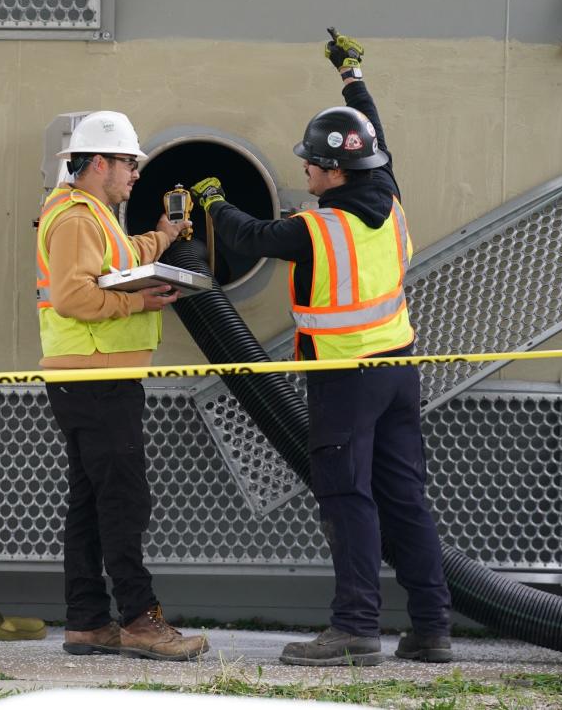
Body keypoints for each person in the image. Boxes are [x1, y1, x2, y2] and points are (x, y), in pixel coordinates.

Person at [190, 36, 452, 666]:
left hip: (343, 379)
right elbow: (374, 134)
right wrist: (352, 76)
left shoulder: (317, 228)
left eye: (310, 161)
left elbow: (253, 235)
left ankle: (355, 628)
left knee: (347, 496)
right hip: (399, 369)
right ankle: (432, 628)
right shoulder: (387, 197)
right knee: (404, 498)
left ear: (334, 173)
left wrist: (213, 201)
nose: (304, 170)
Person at [37, 110, 209, 662]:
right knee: (123, 501)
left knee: (91, 503)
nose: (136, 174)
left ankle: (87, 622)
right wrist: (139, 301)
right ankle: (140, 620)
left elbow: (124, 257)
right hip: (96, 376)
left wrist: (164, 233)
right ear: (101, 163)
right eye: (131, 165)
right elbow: (73, 298)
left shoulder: (94, 214)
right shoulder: (75, 218)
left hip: (95, 376)